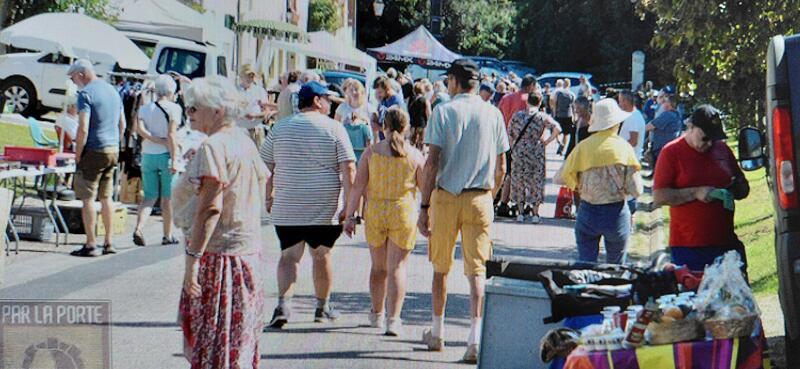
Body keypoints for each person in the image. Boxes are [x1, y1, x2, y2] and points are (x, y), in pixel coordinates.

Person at [417, 59, 509, 363]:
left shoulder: (443, 111)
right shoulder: (493, 113)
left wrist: (424, 204)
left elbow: (432, 162)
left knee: (440, 267)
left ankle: (438, 331)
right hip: (480, 197)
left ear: (455, 82)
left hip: (446, 196)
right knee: (477, 271)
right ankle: (474, 338)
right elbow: (502, 166)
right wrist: (490, 196)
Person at [174, 76, 269, 369]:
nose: (189, 113)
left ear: (216, 111)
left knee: (216, 346)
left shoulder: (213, 147)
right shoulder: (243, 142)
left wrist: (193, 261)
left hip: (221, 259)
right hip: (245, 256)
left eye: (194, 108)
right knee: (234, 346)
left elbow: (210, 209)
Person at [260, 81, 356, 329]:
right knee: (321, 255)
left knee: (289, 256)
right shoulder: (335, 128)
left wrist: (267, 196)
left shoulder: (279, 128)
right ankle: (322, 307)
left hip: (288, 204)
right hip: (323, 205)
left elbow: (265, 167)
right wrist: (350, 205)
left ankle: (283, 305)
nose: (329, 104)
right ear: (316, 101)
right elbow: (348, 167)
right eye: (326, 99)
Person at [343, 107, 424, 337]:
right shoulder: (415, 155)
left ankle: (376, 314)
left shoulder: (371, 153)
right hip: (403, 212)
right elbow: (424, 189)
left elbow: (358, 187)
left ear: (384, 126)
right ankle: (393, 320)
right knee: (397, 268)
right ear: (406, 127)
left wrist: (350, 216)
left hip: (376, 212)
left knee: (378, 268)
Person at [653, 105, 749, 272]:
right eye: (705, 138)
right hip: (690, 247)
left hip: (726, 243)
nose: (710, 143)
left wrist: (734, 189)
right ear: (690, 127)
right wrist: (695, 192)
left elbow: (743, 186)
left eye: (714, 138)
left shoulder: (722, 149)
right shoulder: (671, 152)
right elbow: (659, 196)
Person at [558, 98, 642, 264]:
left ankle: (584, 288)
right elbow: (637, 190)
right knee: (615, 269)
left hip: (587, 211)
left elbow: (562, 177)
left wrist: (581, 185)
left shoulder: (583, 147)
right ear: (616, 123)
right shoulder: (624, 148)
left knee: (586, 266)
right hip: (616, 213)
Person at [67, 59, 125, 257]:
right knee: (106, 197)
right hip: (112, 149)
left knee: (88, 198)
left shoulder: (86, 94)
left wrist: (77, 154)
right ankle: (109, 241)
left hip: (93, 149)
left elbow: (83, 127)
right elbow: (122, 124)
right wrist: (116, 142)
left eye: (73, 77)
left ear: (81, 75)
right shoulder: (113, 91)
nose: (73, 82)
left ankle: (91, 243)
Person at [132, 75, 181, 247]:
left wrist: (154, 139)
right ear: (170, 91)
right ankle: (168, 235)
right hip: (166, 155)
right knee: (167, 198)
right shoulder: (174, 109)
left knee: (149, 196)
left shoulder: (145, 109)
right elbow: (172, 135)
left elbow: (140, 130)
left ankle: (139, 227)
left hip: (147, 155)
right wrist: (174, 158)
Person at [508, 91, 561, 223]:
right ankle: (535, 214)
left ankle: (520, 212)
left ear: (527, 101)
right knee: (536, 181)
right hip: (536, 150)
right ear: (540, 102)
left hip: (520, 150)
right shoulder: (542, 116)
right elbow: (557, 128)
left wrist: (514, 146)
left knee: (519, 180)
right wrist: (547, 141)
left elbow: (510, 133)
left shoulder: (518, 115)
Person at [496, 74, 539, 215]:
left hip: (505, 140)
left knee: (508, 172)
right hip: (521, 143)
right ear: (531, 85)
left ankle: (503, 203)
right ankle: (517, 204)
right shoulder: (527, 101)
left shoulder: (507, 98)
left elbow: (499, 118)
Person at [617, 90, 647, 217]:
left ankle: (629, 216)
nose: (619, 104)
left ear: (625, 101)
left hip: (630, 158)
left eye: (620, 101)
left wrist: (616, 147)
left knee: (629, 193)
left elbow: (633, 141)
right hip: (627, 158)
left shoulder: (634, 117)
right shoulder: (631, 116)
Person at [335, 78, 374, 162]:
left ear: (362, 92)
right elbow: (336, 128)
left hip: (364, 151)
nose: (354, 92)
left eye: (356, 89)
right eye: (351, 90)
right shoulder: (342, 108)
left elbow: (375, 131)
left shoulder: (369, 108)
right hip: (346, 150)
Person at [646, 93, 682, 171]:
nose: (662, 103)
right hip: (668, 149)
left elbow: (649, 126)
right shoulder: (677, 115)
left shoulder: (667, 115)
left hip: (661, 150)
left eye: (665, 102)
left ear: (669, 104)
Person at [237, 64, 269, 130]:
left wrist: (254, 116)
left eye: (252, 76)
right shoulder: (235, 90)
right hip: (239, 129)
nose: (250, 78)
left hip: (256, 128)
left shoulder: (260, 91)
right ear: (241, 76)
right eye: (248, 76)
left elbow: (267, 111)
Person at [554, 79, 577, 157]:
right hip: (568, 115)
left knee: (555, 131)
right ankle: (563, 147)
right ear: (569, 85)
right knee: (566, 134)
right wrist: (574, 116)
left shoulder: (558, 93)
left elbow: (555, 103)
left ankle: (559, 142)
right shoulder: (572, 94)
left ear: (563, 84)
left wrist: (554, 113)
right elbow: (574, 107)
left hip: (559, 114)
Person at [408, 80, 431, 149]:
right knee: (420, 144)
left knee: (411, 144)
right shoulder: (425, 100)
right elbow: (429, 114)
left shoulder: (410, 99)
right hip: (421, 125)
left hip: (412, 124)